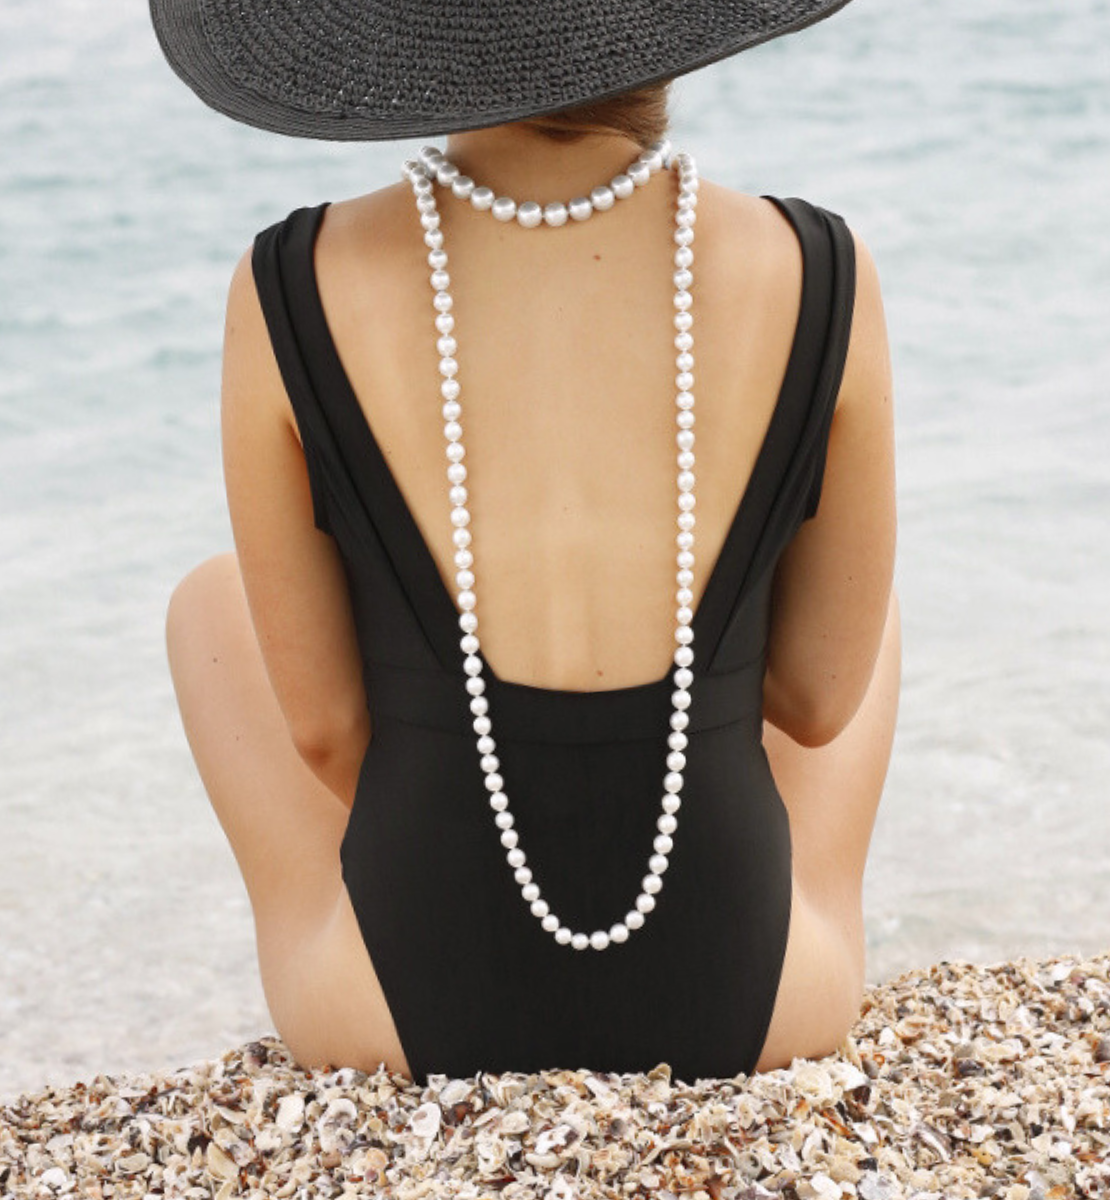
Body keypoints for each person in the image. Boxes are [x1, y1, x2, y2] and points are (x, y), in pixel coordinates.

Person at [154, 0, 899, 1086]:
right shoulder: (820, 266)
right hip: (754, 1005)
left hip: (404, 1015)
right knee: (861, 614)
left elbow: (325, 733)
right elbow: (819, 703)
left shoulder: (291, 279)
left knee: (209, 608)